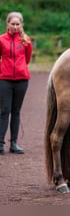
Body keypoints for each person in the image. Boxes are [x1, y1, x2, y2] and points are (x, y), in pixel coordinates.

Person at [0, 12, 32, 155]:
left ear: (21, 25)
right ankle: (0, 143)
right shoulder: (1, 40)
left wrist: (20, 69)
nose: (15, 26)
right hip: (5, 80)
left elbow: (27, 59)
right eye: (12, 24)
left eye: (17, 24)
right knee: (4, 110)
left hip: (21, 80)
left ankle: (14, 143)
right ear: (7, 24)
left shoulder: (26, 41)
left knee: (16, 111)